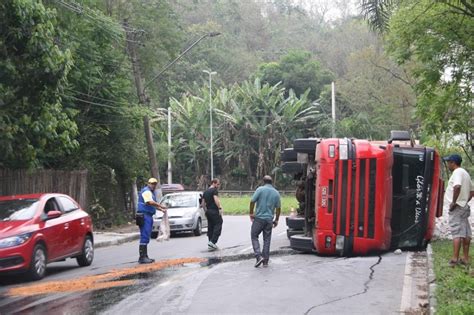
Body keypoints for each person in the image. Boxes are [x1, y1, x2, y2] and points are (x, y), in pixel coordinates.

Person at [443, 154, 473, 266]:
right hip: (463, 207)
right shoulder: (465, 173)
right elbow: (472, 191)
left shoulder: (457, 172)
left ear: (453, 163)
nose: (448, 164)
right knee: (466, 232)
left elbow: (457, 187)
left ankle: (454, 258)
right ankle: (465, 258)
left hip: (457, 208)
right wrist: (464, 201)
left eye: (448, 162)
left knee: (456, 232)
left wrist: (454, 203)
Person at [249, 175, 281, 268]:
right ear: (272, 182)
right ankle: (265, 261)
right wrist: (277, 219)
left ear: (264, 182)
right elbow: (278, 208)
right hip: (269, 220)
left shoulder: (260, 189)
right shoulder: (276, 193)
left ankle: (258, 256)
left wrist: (251, 213)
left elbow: (252, 201)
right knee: (267, 239)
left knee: (254, 235)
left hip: (259, 218)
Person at [137, 177, 167, 264]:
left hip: (148, 215)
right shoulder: (146, 191)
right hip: (144, 216)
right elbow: (149, 202)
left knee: (146, 234)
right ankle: (142, 257)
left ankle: (145, 256)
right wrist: (160, 206)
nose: (153, 185)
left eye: (154, 184)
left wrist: (161, 209)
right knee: (145, 235)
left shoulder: (150, 192)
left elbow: (152, 205)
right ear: (148, 183)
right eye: (152, 183)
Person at [203, 178, 223, 251]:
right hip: (214, 210)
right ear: (213, 183)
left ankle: (210, 243)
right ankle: (213, 242)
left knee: (210, 226)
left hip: (208, 211)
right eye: (217, 184)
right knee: (219, 224)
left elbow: (203, 203)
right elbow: (216, 200)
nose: (218, 186)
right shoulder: (214, 190)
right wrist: (219, 208)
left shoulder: (205, 192)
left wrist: (206, 211)